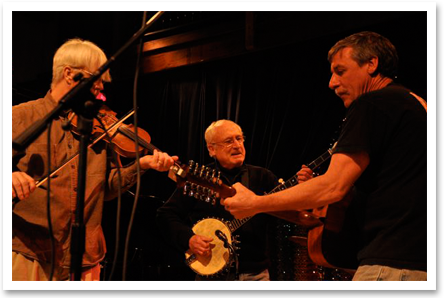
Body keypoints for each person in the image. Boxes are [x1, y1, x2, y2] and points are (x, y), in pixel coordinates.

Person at [220, 31, 427, 281]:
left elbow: (333, 187)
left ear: (372, 64)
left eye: (340, 71)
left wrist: (254, 203)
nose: (332, 82)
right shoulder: (417, 104)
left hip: (391, 266)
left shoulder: (372, 103)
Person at [12, 38, 178, 281]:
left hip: (86, 259)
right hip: (31, 253)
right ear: (69, 74)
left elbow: (107, 189)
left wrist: (141, 166)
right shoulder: (20, 116)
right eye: (96, 78)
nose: (101, 88)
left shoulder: (96, 127)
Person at [156, 120, 278, 281]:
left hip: (256, 275)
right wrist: (189, 239)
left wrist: (301, 188)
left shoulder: (263, 177)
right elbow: (165, 215)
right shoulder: (199, 179)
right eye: (229, 141)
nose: (237, 145)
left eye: (239, 139)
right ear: (212, 149)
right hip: (210, 275)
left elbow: (286, 211)